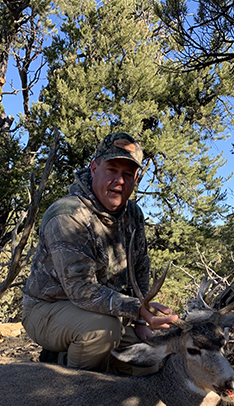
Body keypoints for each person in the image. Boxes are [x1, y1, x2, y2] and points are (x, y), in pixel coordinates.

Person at [22, 132, 178, 373]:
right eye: (112, 170)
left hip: (105, 312)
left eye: (127, 174)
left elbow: (140, 269)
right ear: (94, 168)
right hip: (48, 309)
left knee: (150, 365)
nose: (119, 181)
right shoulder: (68, 214)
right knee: (102, 332)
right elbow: (80, 289)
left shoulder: (133, 214)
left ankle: (88, 364)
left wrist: (139, 320)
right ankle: (69, 392)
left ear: (136, 179)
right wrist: (138, 308)